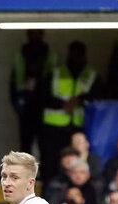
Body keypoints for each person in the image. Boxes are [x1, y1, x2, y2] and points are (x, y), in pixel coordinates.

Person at [39, 41, 101, 182]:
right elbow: (41, 97)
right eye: (74, 54)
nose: (76, 58)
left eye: (80, 54)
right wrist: (62, 104)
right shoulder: (55, 74)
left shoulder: (91, 75)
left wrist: (80, 100)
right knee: (51, 163)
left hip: (78, 127)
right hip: (53, 127)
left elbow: (99, 96)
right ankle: (50, 195)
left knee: (77, 161)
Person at [10, 30, 56, 153]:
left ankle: (46, 172)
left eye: (37, 33)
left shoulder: (50, 55)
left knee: (45, 145)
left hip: (45, 106)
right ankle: (26, 172)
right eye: (32, 33)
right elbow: (13, 83)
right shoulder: (21, 55)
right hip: (26, 105)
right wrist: (17, 104)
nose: (35, 36)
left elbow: (53, 81)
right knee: (25, 145)